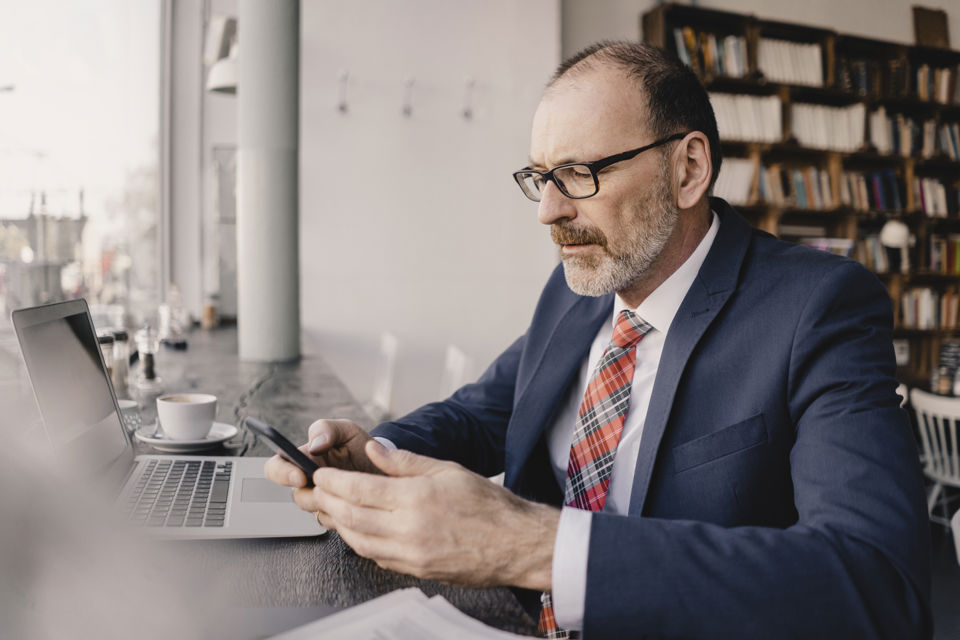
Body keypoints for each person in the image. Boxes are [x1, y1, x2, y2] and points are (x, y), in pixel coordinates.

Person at [265, 41, 931, 639]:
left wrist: (532, 546)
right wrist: (374, 452)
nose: (549, 210)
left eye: (579, 174)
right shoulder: (578, 289)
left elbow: (878, 585)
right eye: (540, 178)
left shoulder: (820, 308)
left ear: (688, 169)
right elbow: (483, 412)